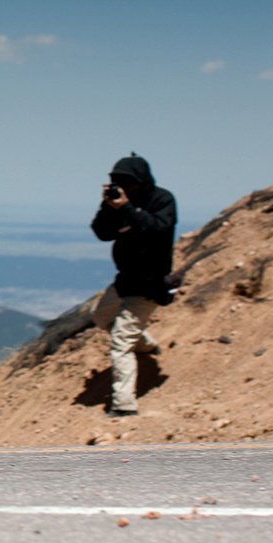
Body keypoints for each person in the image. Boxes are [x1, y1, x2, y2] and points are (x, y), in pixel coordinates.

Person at [90, 154, 177, 416]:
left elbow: (158, 229)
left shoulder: (162, 200)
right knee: (100, 316)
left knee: (120, 343)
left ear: (142, 181)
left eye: (130, 183)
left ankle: (124, 405)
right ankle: (145, 344)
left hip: (150, 282)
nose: (126, 188)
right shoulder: (118, 203)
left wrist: (128, 208)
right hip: (126, 278)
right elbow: (101, 232)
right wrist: (109, 207)